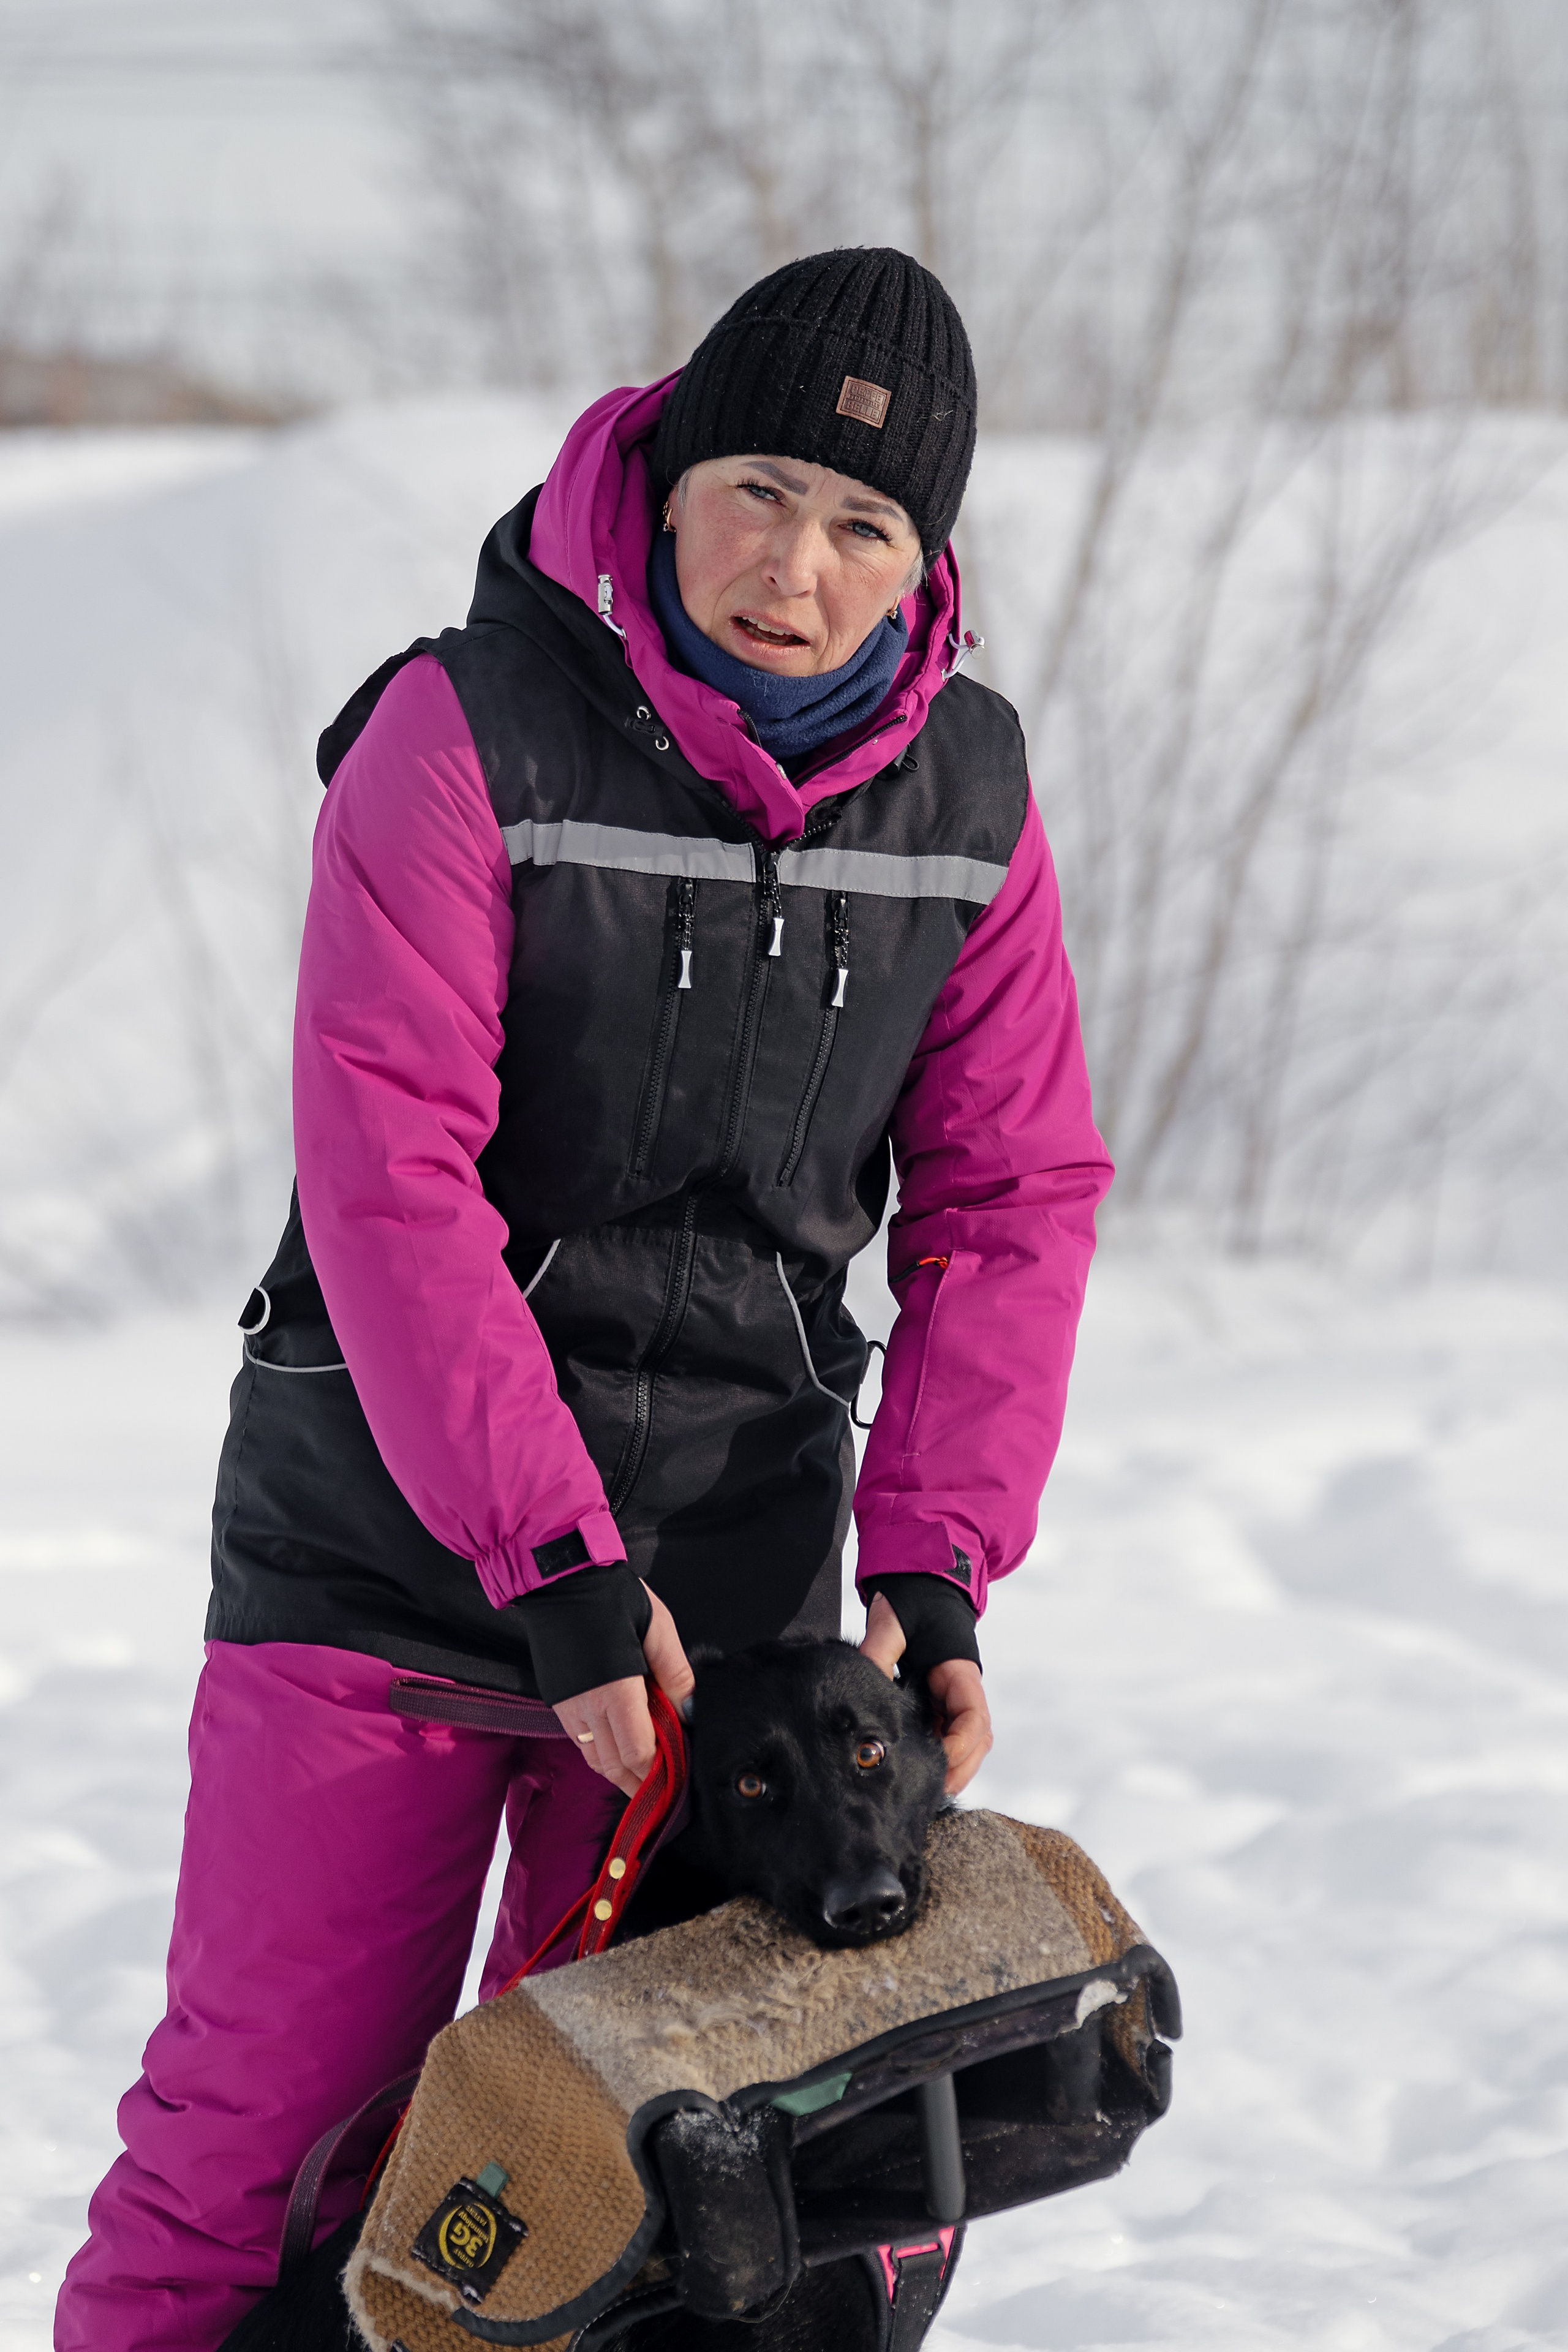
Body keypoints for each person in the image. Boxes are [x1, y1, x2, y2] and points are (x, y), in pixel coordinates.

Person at [56, 246, 1112, 2351]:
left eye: (867, 524)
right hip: (385, 1564)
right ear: (663, 476)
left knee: (601, 2192)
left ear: (926, 562)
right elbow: (390, 1172)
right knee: (268, 2153)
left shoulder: (970, 799)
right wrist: (549, 1557)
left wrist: (937, 1566)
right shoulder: (462, 730)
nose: (797, 568)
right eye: (760, 491)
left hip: (709, 1619)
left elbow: (1010, 1198)